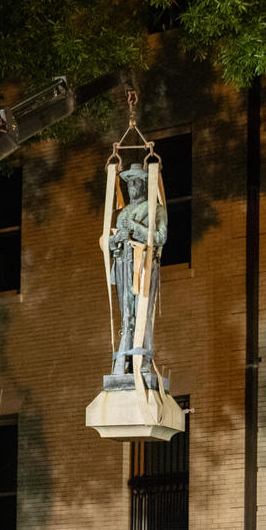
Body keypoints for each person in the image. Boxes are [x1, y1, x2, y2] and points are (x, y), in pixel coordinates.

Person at [107, 162, 168, 378]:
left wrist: (135, 229)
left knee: (143, 312)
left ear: (143, 185)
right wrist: (115, 240)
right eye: (129, 183)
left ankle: (143, 360)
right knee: (127, 315)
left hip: (143, 266)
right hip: (123, 265)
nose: (131, 187)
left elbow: (160, 237)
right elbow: (111, 243)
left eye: (135, 183)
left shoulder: (154, 209)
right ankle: (124, 360)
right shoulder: (123, 212)